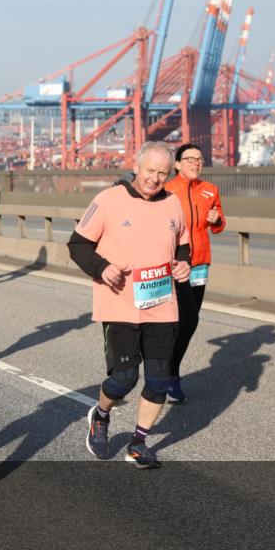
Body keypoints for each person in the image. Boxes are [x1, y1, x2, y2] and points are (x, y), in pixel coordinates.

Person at [67, 141, 191, 469]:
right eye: (150, 171)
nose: (155, 179)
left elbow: (183, 245)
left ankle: (138, 442)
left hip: (162, 302)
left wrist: (183, 264)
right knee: (124, 379)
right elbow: (78, 244)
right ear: (136, 167)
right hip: (120, 303)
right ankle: (102, 414)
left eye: (163, 173)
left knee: (159, 379)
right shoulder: (108, 200)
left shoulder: (173, 203)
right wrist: (102, 268)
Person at [165, 143, 226, 402]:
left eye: (199, 159)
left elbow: (219, 224)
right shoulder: (166, 190)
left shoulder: (210, 190)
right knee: (179, 321)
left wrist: (217, 220)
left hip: (199, 264)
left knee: (189, 322)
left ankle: (169, 371)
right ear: (177, 164)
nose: (195, 163)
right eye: (189, 159)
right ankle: (167, 372)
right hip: (173, 265)